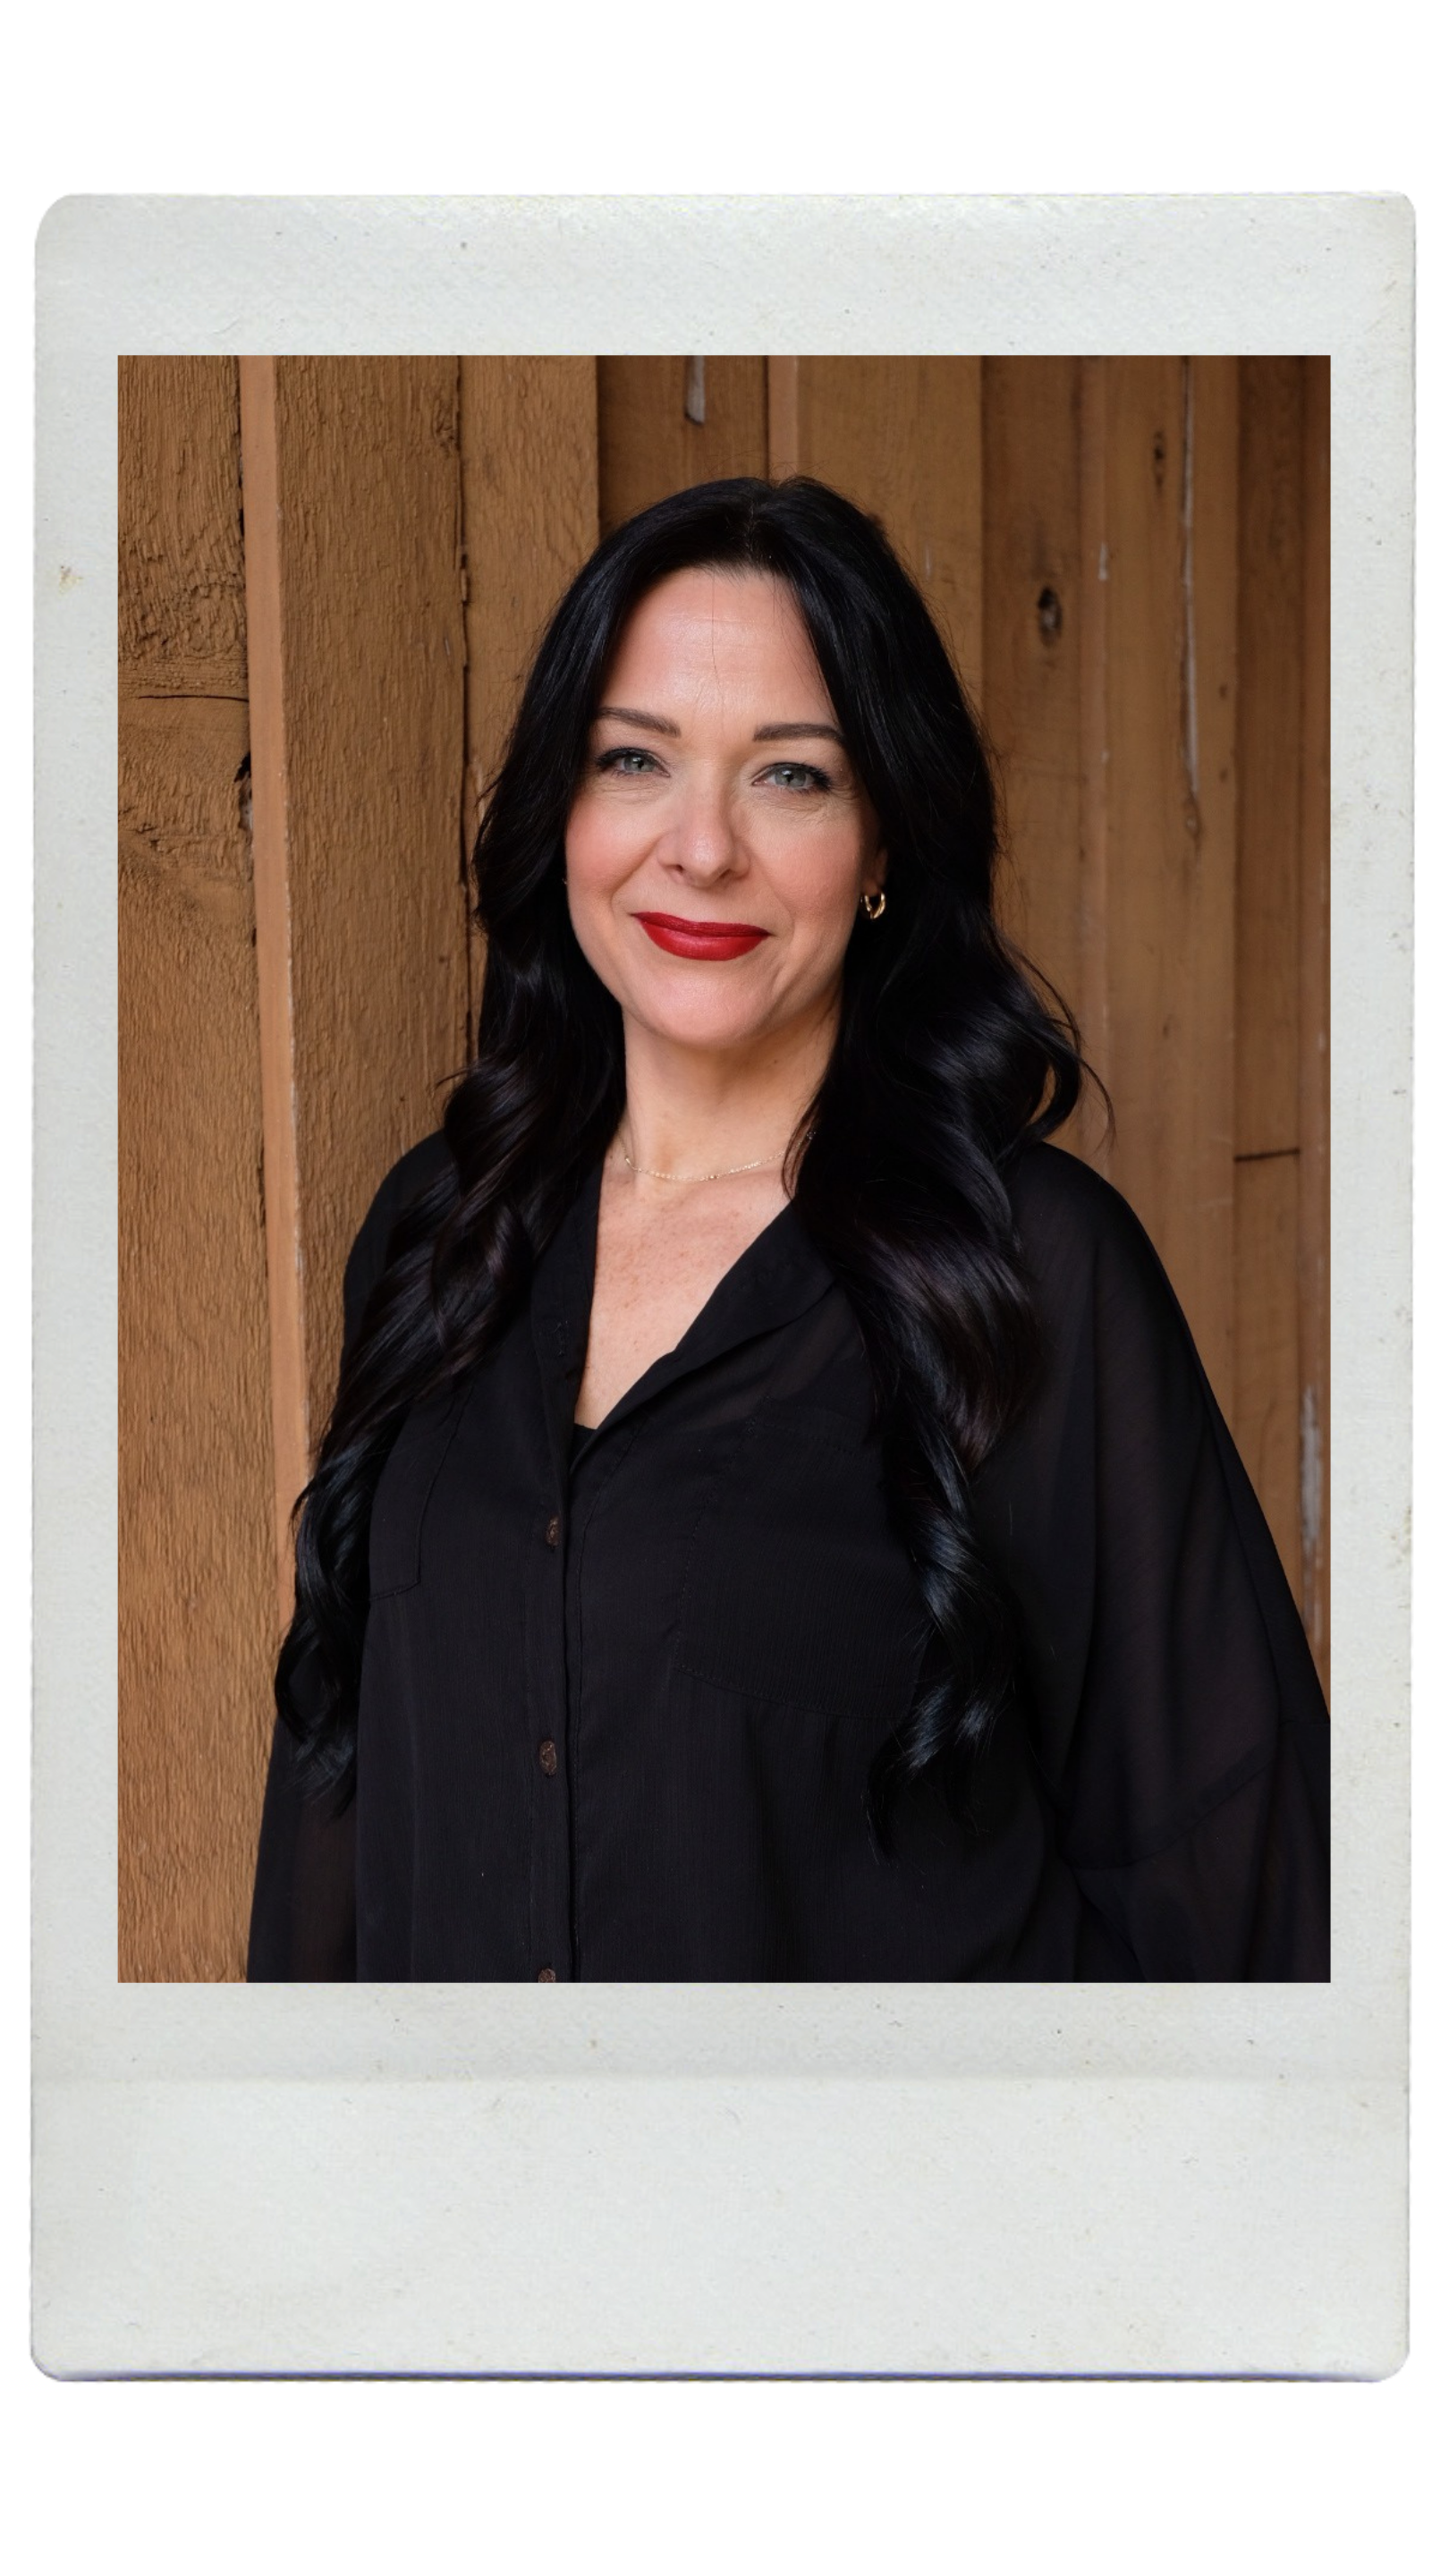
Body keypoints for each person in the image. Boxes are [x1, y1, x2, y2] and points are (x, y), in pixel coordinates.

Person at [248, 476, 1330, 1985]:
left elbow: (1242, 1894)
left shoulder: (1034, 1273)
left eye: (792, 777)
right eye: (635, 759)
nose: (700, 849)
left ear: (885, 845)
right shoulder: (439, 1230)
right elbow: (337, 1806)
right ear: (564, 808)